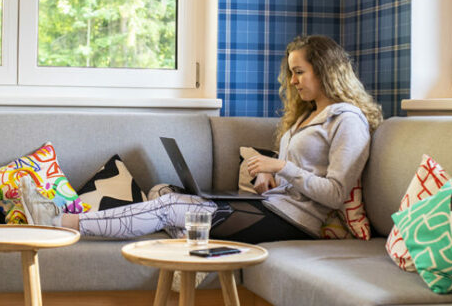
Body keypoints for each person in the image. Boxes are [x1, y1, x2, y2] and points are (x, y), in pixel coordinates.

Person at [20, 34, 383, 244]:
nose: (292, 81)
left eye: (299, 72)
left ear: (324, 70)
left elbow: (336, 193)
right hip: (272, 206)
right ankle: (196, 252)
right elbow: (294, 178)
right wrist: (269, 179)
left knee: (169, 208)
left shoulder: (347, 121)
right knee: (163, 191)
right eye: (291, 73)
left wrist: (284, 167)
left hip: (295, 222)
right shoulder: (307, 117)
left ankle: (59, 222)